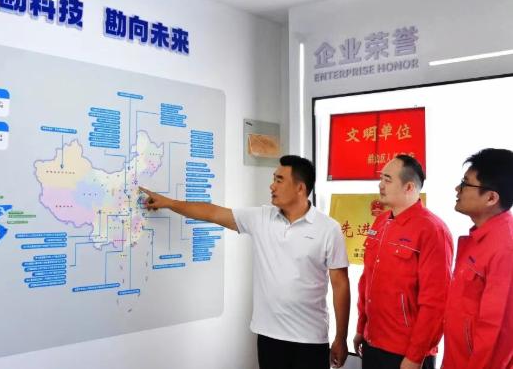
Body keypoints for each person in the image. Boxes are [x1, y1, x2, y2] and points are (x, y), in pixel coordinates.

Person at [140, 155, 350, 369]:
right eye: (273, 179)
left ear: (300, 188)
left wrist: (341, 338)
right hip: (269, 337)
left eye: (279, 180)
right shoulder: (261, 218)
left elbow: (341, 285)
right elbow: (212, 213)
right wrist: (169, 203)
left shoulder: (328, 229)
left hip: (310, 339)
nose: (272, 186)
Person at [354, 155, 453, 369]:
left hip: (405, 352)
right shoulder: (381, 221)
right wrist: (361, 327)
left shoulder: (432, 230)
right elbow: (367, 280)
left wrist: (415, 356)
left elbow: (436, 302)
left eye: (388, 180)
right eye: (381, 178)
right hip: (372, 342)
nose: (380, 185)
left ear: (409, 187)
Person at [442, 148, 513, 369]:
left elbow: (497, 333)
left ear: (491, 197)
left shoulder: (505, 248)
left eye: (465, 183)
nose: (457, 189)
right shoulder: (479, 238)